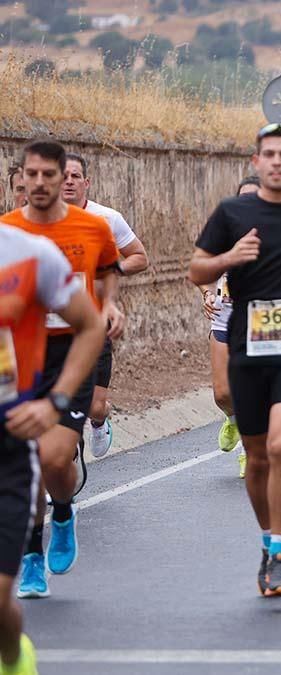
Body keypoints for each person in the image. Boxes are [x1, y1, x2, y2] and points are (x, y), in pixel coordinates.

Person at [189, 123, 281, 597]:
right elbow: (196, 268)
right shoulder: (232, 213)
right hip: (248, 349)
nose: (277, 161)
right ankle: (266, 542)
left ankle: (280, 551)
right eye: (268, 154)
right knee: (256, 458)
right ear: (256, 162)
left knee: (280, 446)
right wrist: (230, 257)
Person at [4, 140, 121, 599]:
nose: (37, 183)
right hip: (19, 359)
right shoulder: (7, 232)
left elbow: (110, 267)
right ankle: (32, 553)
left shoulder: (92, 227)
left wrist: (109, 304)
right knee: (30, 460)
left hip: (74, 351)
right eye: (28, 176)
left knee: (55, 459)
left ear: (63, 178)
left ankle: (65, 510)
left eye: (47, 175)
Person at [1, 223, 106, 673]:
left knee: (55, 458)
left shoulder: (27, 252)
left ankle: (12, 655)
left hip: (10, 433)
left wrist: (57, 400)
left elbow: (90, 323)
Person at [60, 153, 151, 458]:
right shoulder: (40, 220)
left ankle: (99, 421)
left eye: (75, 176)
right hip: (54, 328)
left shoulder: (106, 219)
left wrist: (108, 272)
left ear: (86, 182)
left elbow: (139, 256)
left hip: (95, 323)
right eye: (63, 176)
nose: (69, 182)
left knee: (94, 405)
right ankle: (65, 473)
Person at [197, 176, 260, 479]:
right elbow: (203, 270)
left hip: (261, 321)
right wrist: (208, 293)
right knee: (222, 393)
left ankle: (250, 451)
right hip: (225, 316)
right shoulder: (224, 233)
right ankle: (233, 418)